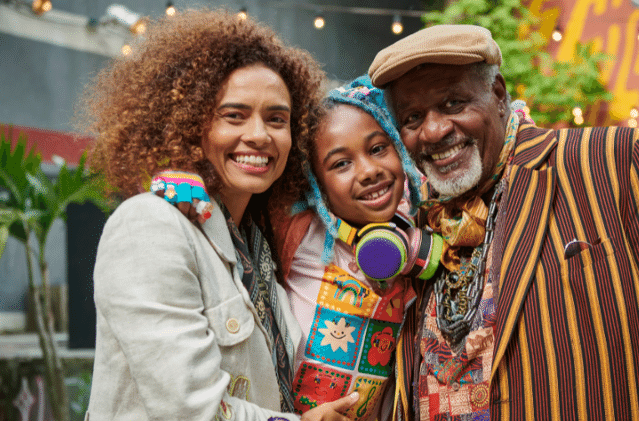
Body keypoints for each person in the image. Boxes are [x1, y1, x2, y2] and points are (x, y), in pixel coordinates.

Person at [367, 24, 639, 420]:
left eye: (454, 103)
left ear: (499, 94)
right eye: (412, 117)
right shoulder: (419, 226)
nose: (433, 130)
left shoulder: (614, 161)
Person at [81, 9, 358, 421]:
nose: (260, 135)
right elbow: (188, 408)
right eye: (235, 115)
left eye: (276, 119)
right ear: (192, 123)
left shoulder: (257, 246)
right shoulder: (150, 225)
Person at [150, 75, 444, 421]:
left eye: (378, 148)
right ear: (315, 183)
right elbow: (237, 186)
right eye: (341, 164)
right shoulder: (299, 226)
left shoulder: (418, 222)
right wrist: (183, 179)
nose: (369, 170)